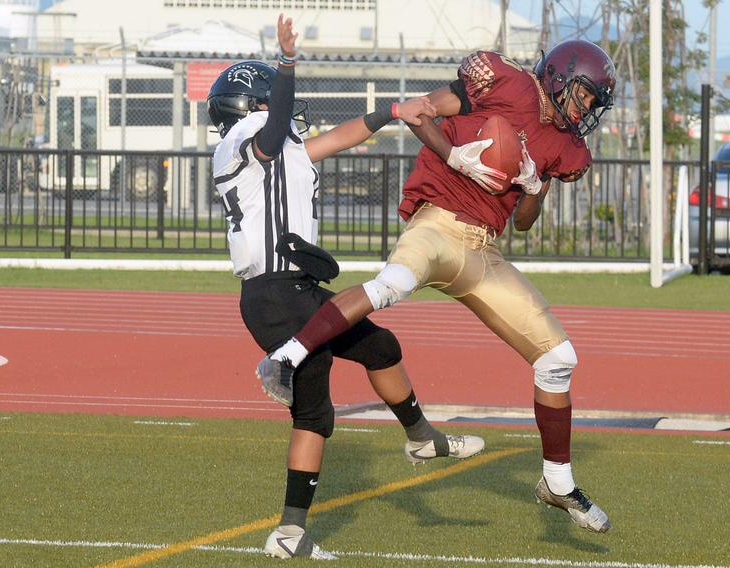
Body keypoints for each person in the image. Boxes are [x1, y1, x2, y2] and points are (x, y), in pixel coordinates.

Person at [259, 39, 617, 534]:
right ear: (559, 75)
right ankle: (286, 356)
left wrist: (533, 188)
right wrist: (456, 156)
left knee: (558, 360)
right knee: (392, 284)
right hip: (437, 221)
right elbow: (421, 112)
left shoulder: (567, 148)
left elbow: (525, 224)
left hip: (482, 249)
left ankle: (557, 481)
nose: (586, 108)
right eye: (585, 95)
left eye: (594, 101)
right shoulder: (506, 81)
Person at [209, 14, 484, 560]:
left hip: (296, 290)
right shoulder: (245, 139)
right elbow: (274, 125)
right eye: (270, 100)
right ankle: (289, 531)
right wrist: (287, 63)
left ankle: (421, 436)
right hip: (275, 294)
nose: (283, 111)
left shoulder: (280, 154)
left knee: (381, 347)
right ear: (251, 107)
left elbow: (336, 138)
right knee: (315, 414)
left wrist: (392, 111)